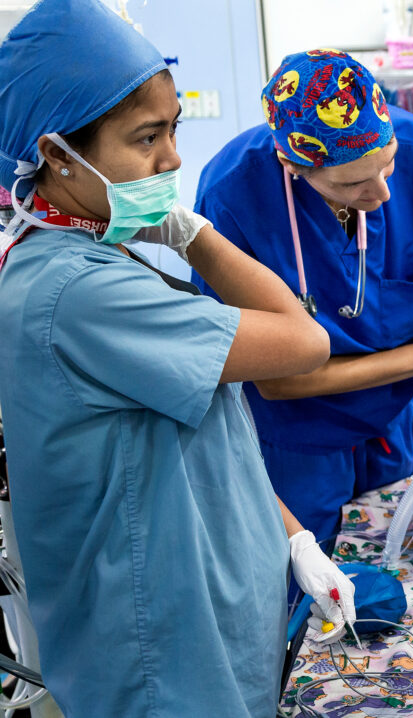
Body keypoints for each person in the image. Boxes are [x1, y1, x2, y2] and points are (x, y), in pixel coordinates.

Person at [0, 1, 358, 715]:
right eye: (146, 138)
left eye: (174, 129)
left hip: (197, 621)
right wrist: (191, 233)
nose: (173, 159)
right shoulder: (75, 290)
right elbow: (305, 342)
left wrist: (290, 536)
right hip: (160, 656)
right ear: (55, 155)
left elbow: (196, 442)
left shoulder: (96, 256)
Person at [193, 50, 413, 547]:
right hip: (295, 440)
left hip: (392, 426)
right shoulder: (232, 196)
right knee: (312, 595)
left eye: (387, 165)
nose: (382, 193)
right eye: (352, 182)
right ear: (292, 164)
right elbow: (275, 382)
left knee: (401, 569)